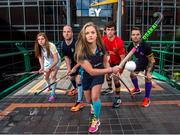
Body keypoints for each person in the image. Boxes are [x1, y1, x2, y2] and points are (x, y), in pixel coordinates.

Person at [74, 22, 120, 133]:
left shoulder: (102, 47)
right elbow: (91, 71)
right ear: (83, 35)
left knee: (95, 97)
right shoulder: (80, 51)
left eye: (93, 32)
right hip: (87, 75)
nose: (90, 35)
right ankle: (93, 107)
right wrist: (110, 70)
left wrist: (110, 72)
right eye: (87, 33)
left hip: (99, 75)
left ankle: (96, 119)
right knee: (89, 100)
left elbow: (105, 62)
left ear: (97, 34)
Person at [127, 27, 155, 107]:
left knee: (147, 78)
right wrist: (130, 68)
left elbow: (152, 61)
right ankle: (137, 89)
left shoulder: (146, 46)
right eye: (133, 34)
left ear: (140, 36)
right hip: (140, 62)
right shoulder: (130, 46)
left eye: (137, 34)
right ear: (131, 36)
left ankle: (147, 98)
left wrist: (149, 72)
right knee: (132, 75)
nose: (135, 36)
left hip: (149, 63)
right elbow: (129, 58)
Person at [102, 21, 126, 108]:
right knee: (108, 76)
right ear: (105, 31)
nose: (110, 32)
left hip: (119, 63)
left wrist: (119, 69)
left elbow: (123, 58)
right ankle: (109, 89)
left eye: (112, 30)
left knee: (115, 78)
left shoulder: (119, 42)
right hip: (109, 61)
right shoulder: (103, 39)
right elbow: (104, 54)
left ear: (115, 31)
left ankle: (118, 97)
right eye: (108, 29)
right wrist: (107, 65)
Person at [61, 25, 84, 112]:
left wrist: (74, 68)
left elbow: (82, 58)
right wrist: (69, 69)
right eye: (64, 32)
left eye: (68, 31)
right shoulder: (63, 44)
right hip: (74, 63)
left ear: (72, 33)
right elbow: (67, 57)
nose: (66, 33)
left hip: (82, 62)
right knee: (71, 77)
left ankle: (80, 102)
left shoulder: (77, 43)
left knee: (78, 80)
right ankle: (77, 89)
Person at [34, 32, 61, 102]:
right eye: (39, 39)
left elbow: (56, 59)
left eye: (42, 39)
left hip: (55, 61)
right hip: (47, 61)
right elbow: (41, 58)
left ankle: (53, 94)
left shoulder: (51, 45)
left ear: (45, 39)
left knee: (53, 76)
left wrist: (49, 68)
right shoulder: (38, 47)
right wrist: (42, 67)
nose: (40, 41)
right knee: (46, 76)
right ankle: (48, 86)